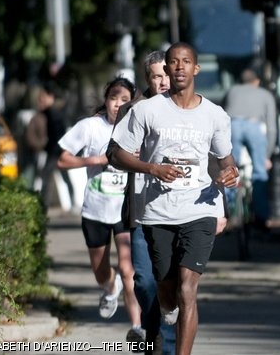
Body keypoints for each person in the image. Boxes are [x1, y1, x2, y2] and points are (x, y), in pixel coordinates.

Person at [109, 42, 239, 355]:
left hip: (200, 209)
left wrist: (230, 174)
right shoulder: (146, 110)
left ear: (196, 69)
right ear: (166, 69)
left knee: (186, 289)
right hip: (157, 212)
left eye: (186, 62)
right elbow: (114, 154)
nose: (179, 67)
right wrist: (151, 167)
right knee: (165, 292)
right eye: (173, 62)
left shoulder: (215, 115)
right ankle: (167, 309)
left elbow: (226, 162)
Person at [56, 77, 143, 340]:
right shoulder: (90, 127)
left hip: (125, 209)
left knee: (129, 269)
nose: (118, 104)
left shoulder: (136, 128)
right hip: (95, 209)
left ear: (132, 103)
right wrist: (94, 159)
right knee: (101, 272)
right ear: (106, 100)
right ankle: (109, 287)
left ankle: (137, 327)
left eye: (124, 100)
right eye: (114, 98)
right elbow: (63, 160)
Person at [107, 50, 177, 355]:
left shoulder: (187, 107)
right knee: (146, 281)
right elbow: (113, 153)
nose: (163, 81)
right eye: (156, 76)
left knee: (173, 283)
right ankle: (152, 332)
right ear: (146, 79)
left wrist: (221, 210)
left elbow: (209, 156)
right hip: (140, 209)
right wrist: (127, 157)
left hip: (179, 210)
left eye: (167, 74)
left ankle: (168, 346)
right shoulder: (132, 111)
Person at [222, 67, 277, 230]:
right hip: (254, 125)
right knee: (259, 171)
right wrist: (267, 155)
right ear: (257, 82)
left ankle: (226, 212)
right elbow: (272, 127)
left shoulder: (231, 91)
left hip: (233, 125)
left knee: (230, 169)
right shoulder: (265, 94)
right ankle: (261, 218)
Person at [26, 82, 75, 210]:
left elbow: (60, 132)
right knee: (47, 178)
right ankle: (44, 205)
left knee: (59, 177)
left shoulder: (56, 112)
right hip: (52, 151)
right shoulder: (44, 114)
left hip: (58, 151)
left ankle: (71, 202)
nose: (41, 101)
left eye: (44, 98)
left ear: (51, 97)